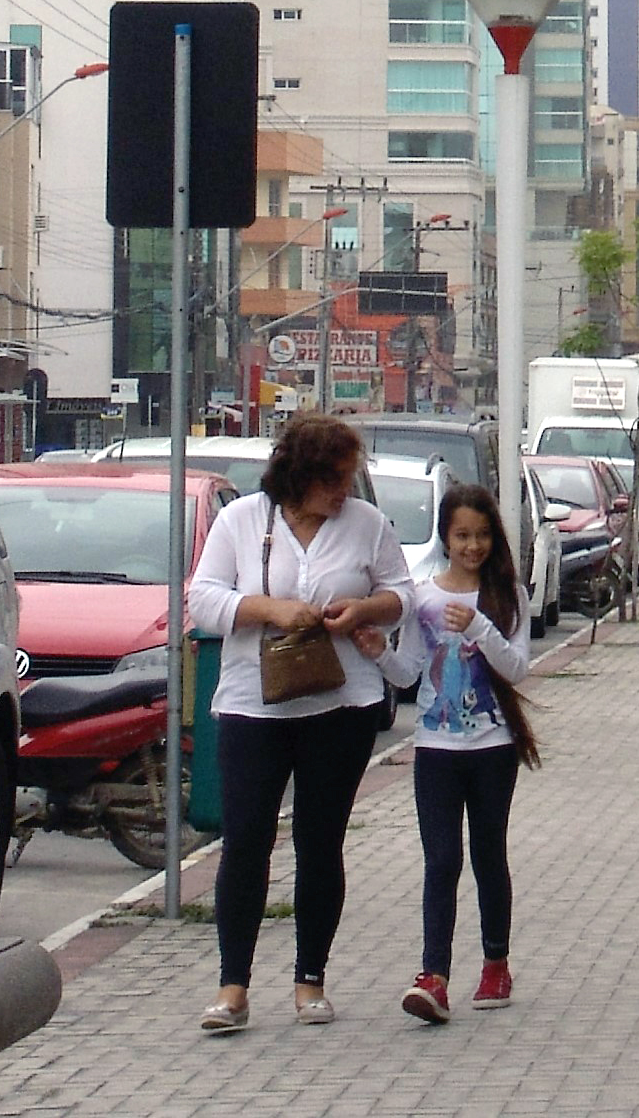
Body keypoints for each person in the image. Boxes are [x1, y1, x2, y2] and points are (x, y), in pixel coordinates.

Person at [184, 414, 409, 1035]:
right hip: (253, 705)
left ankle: (311, 979)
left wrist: (362, 608)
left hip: (342, 706)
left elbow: (402, 595)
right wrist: (272, 609)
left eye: (348, 480)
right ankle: (233, 987)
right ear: (300, 475)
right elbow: (202, 600)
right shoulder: (241, 520)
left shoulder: (366, 524)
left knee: (320, 841)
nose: (343, 492)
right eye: (332, 481)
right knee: (246, 839)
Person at [399, 482, 542, 1026]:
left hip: (491, 747)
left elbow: (518, 667)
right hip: (435, 749)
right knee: (441, 860)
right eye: (462, 535)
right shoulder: (423, 596)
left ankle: (496, 963)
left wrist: (480, 625)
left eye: (482, 535)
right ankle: (433, 976)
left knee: (487, 855)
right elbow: (410, 670)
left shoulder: (509, 597)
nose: (472, 546)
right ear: (445, 536)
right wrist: (375, 654)